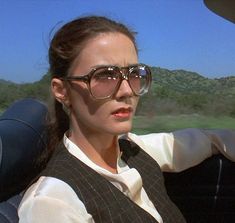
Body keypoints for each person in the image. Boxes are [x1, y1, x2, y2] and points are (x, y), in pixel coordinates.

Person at [18, 15, 222, 223]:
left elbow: (201, 141)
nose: (127, 91)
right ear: (62, 91)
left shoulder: (133, 150)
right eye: (104, 75)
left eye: (134, 73)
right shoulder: (52, 202)